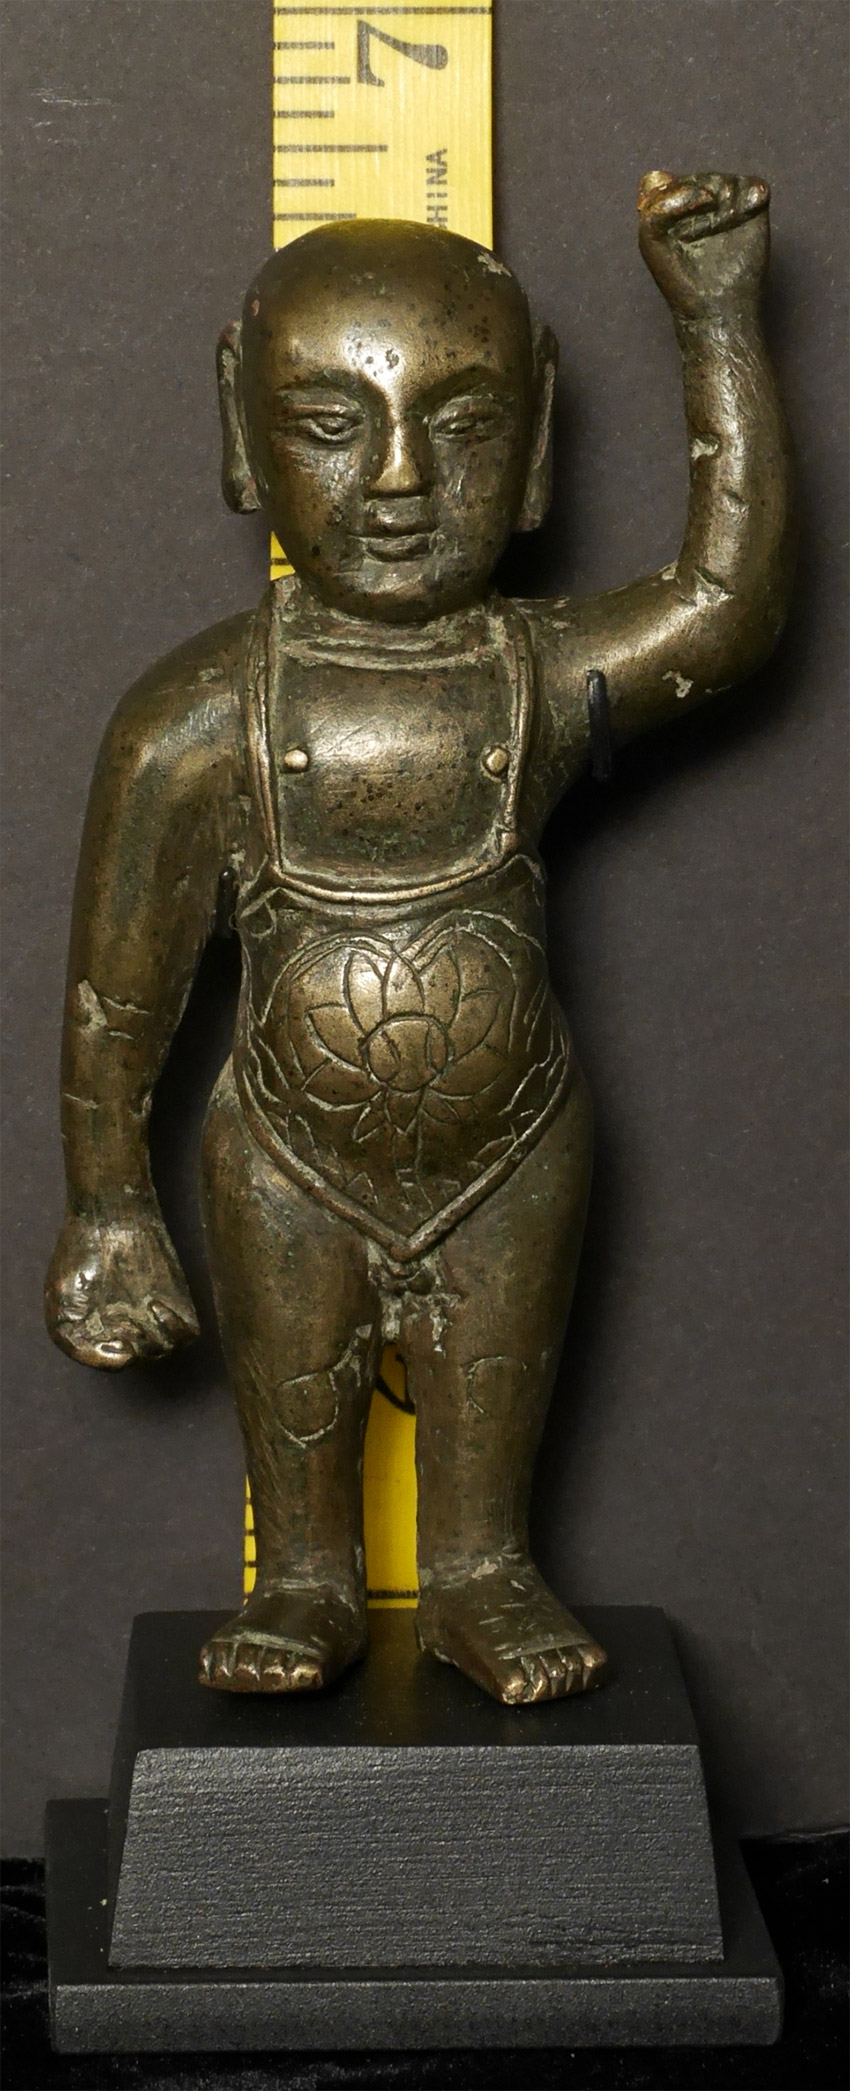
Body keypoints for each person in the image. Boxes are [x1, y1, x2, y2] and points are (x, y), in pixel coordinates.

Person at [45, 175, 794, 1704]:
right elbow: (121, 995)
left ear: (536, 445)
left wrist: (715, 320)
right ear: (240, 431)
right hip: (285, 1153)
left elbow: (724, 607)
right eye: (329, 423)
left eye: (464, 425)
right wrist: (107, 1203)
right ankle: (304, 1578)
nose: (397, 481)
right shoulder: (197, 719)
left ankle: (475, 1572)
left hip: (510, 1143)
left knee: (486, 1468)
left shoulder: (537, 672)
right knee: (297, 1454)